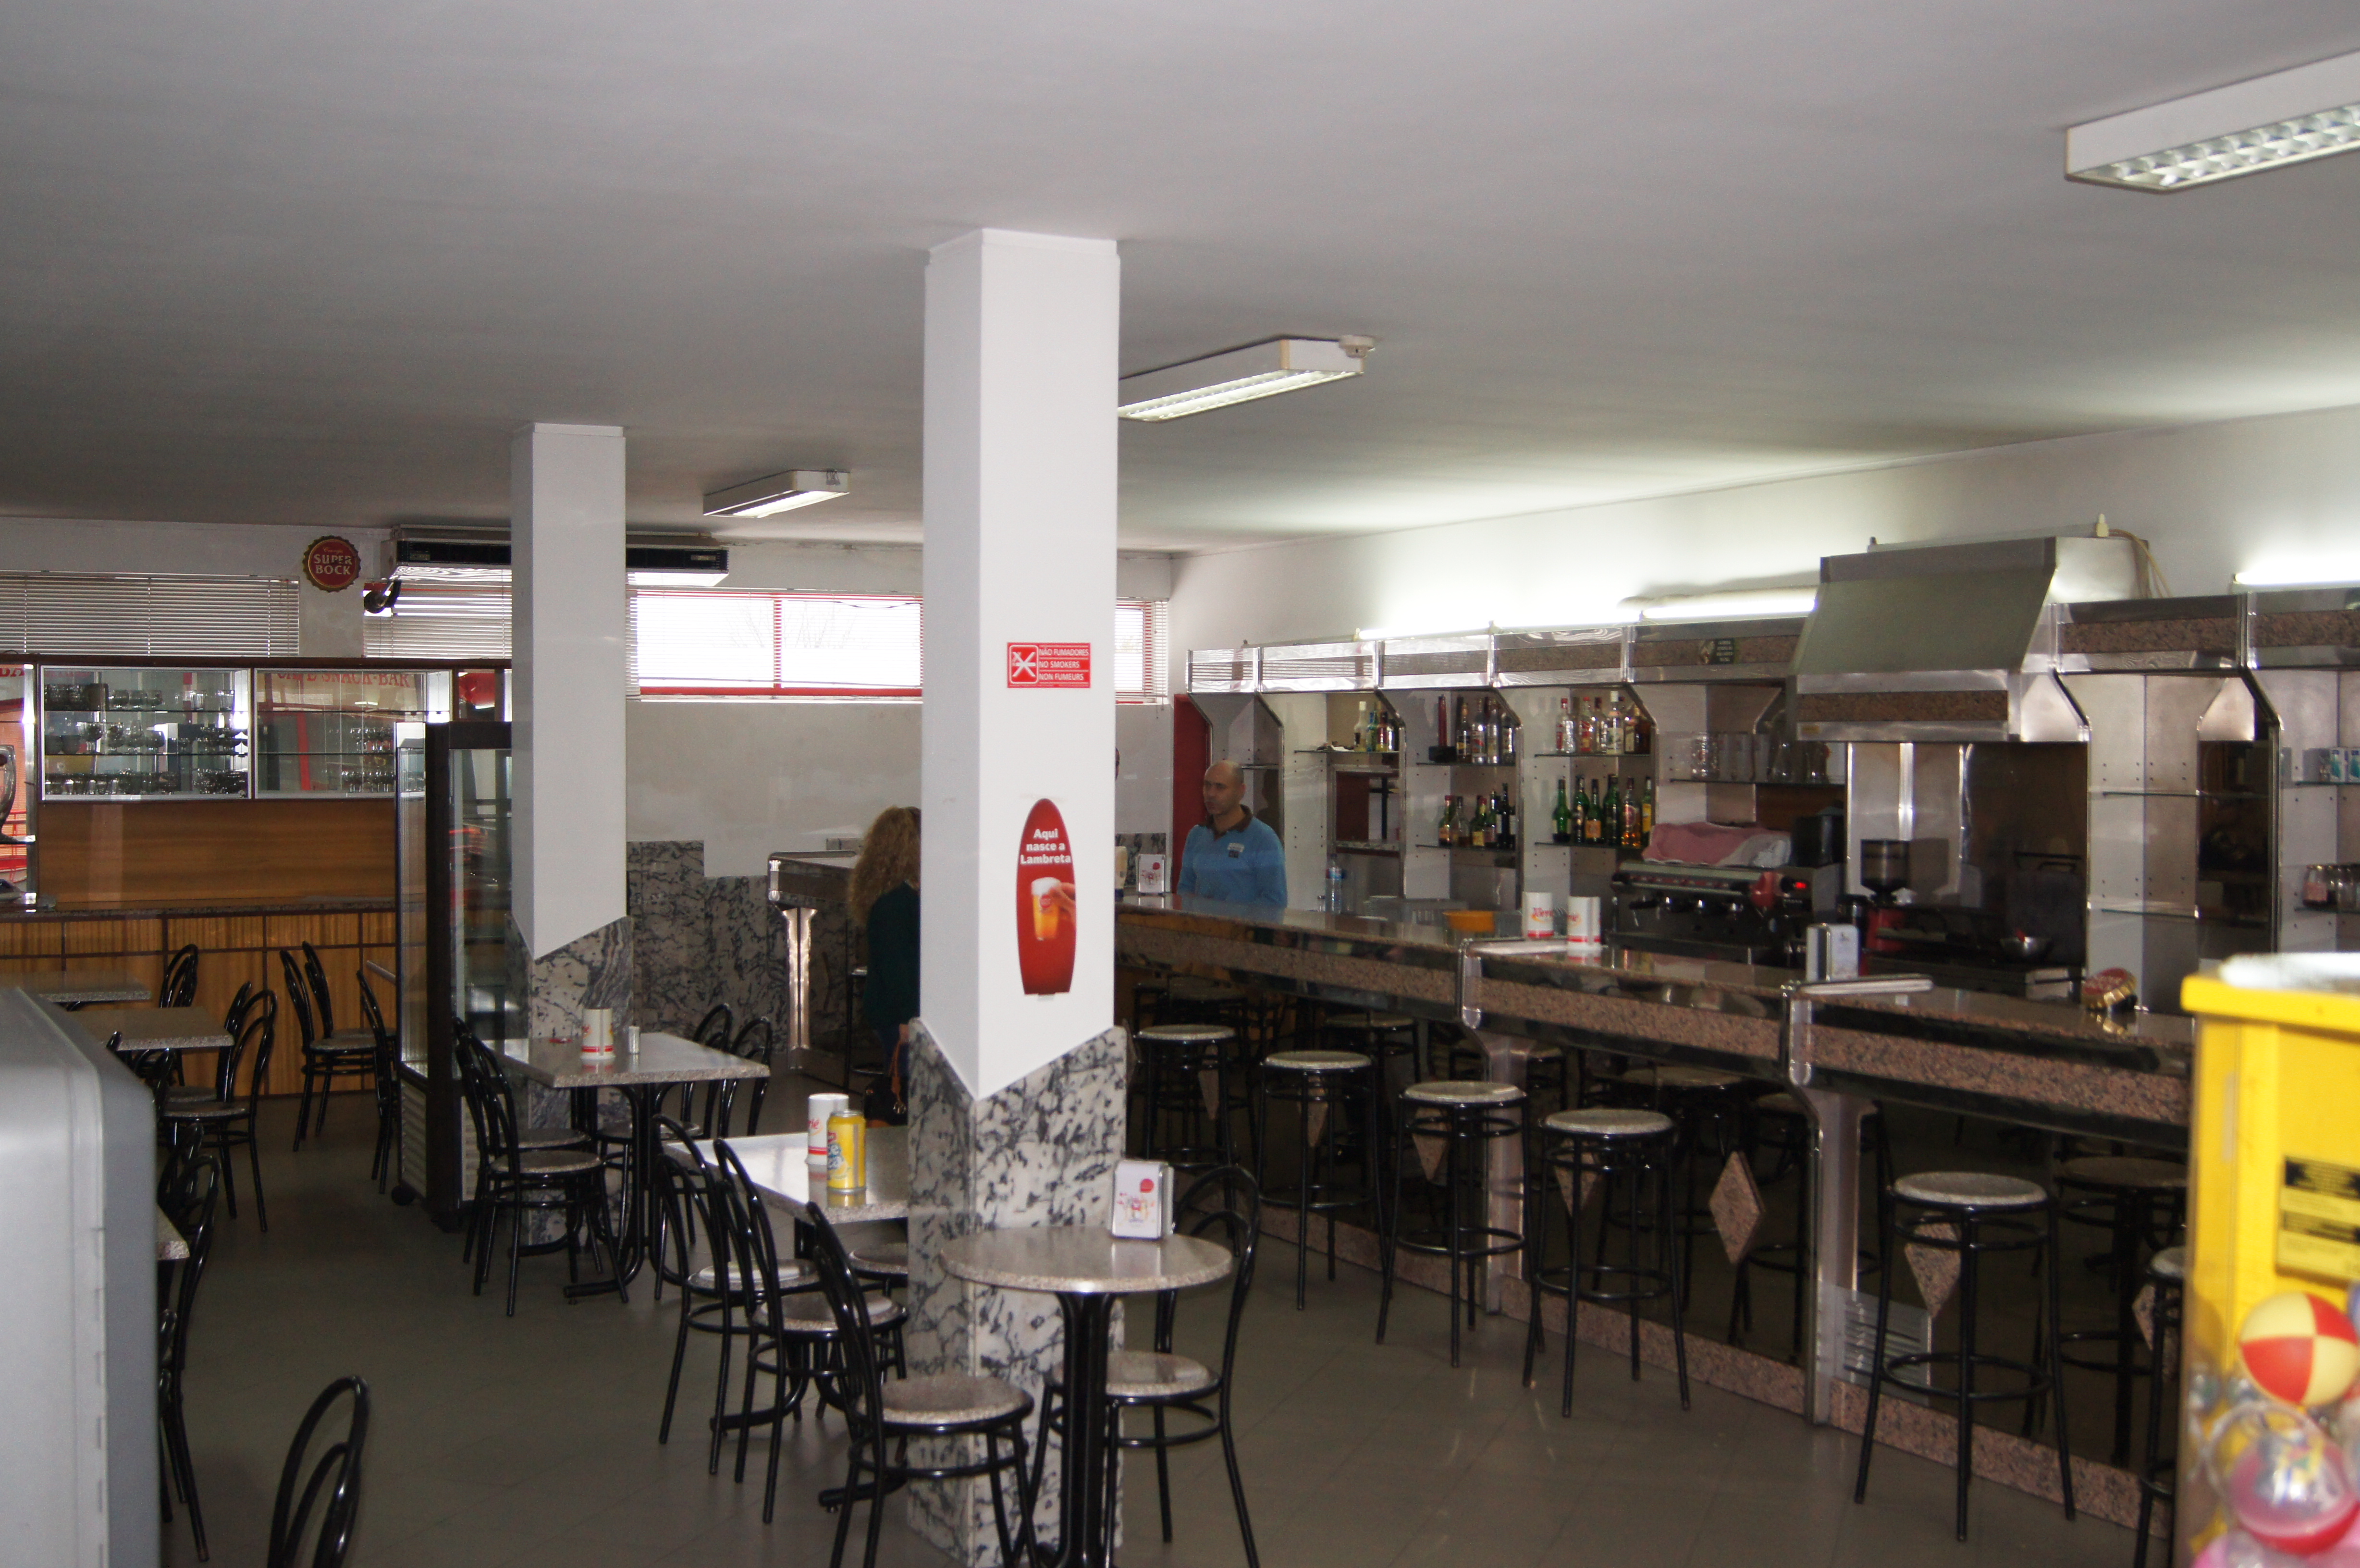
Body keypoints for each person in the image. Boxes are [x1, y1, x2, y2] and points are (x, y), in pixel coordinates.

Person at [848, 805, 920, 1124]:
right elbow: (898, 968)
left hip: (890, 1010)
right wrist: (908, 1017)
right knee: (904, 1081)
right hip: (898, 1014)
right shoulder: (896, 902)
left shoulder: (890, 896)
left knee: (902, 1077)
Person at [1176, 760, 1286, 906]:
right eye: (1207, 785)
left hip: (1244, 922)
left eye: (1220, 787)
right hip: (1202, 921)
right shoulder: (1197, 835)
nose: (1211, 794)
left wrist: (1233, 916)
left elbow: (1274, 901)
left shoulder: (1263, 839)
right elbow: (1185, 889)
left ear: (1241, 791)